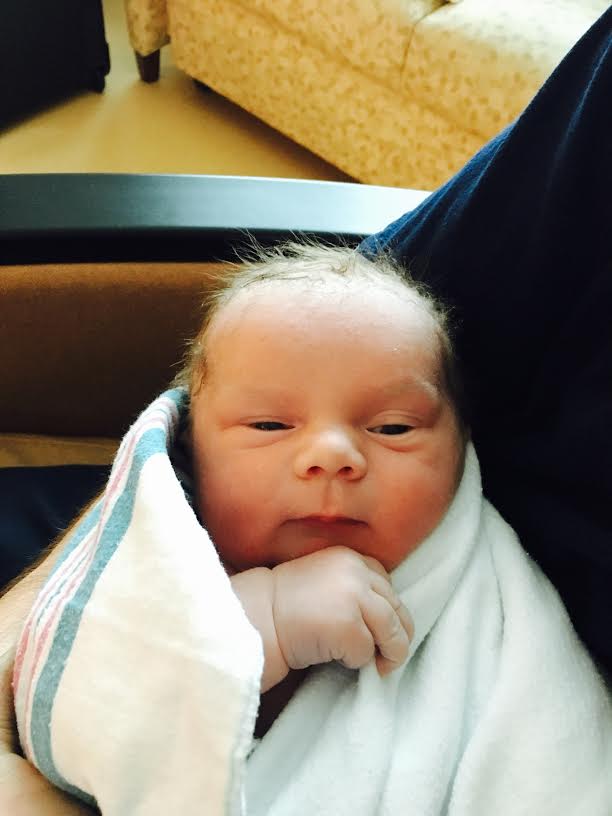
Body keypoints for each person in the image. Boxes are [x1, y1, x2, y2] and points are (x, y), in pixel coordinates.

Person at [1, 6, 611, 814]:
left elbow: (556, 759)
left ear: (462, 445)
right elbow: (69, 702)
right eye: (269, 425)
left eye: (392, 428)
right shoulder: (156, 557)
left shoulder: (497, 615)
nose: (333, 454)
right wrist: (262, 625)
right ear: (191, 451)